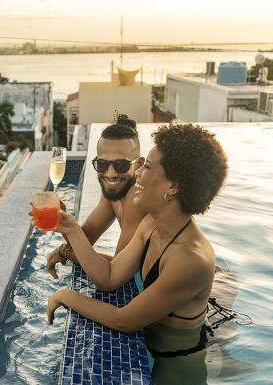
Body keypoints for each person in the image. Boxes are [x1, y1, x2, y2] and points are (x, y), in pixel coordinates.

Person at [47, 123, 229, 385]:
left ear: (174, 186)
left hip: (176, 368)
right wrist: (70, 230)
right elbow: (110, 277)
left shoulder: (191, 259)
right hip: (152, 349)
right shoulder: (152, 223)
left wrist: (65, 295)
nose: (138, 173)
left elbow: (125, 320)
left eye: (148, 167)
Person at [46, 114, 146, 279]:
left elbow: (116, 272)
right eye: (102, 164)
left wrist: (64, 252)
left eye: (121, 165)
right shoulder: (114, 193)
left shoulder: (138, 200)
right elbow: (83, 239)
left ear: (139, 164)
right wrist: (63, 217)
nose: (111, 173)